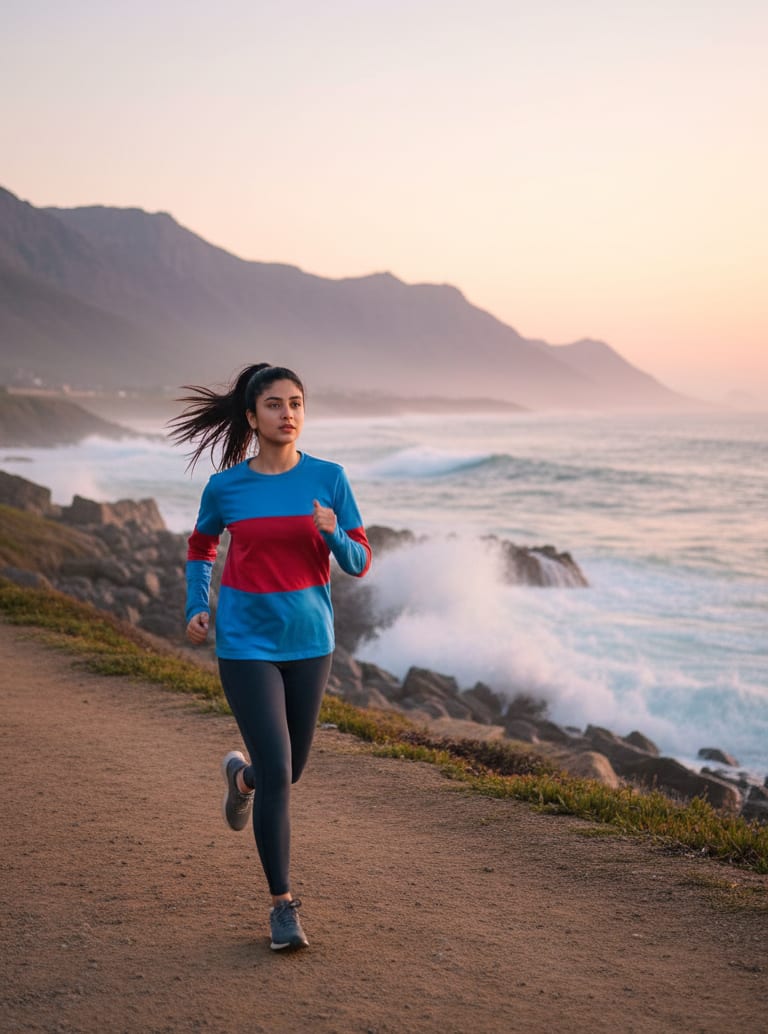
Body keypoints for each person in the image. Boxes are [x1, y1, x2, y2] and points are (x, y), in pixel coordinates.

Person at [170, 363, 371, 951]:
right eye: (276, 405)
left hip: (311, 642)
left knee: (288, 770)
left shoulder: (329, 478)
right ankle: (282, 904)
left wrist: (334, 533)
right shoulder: (226, 487)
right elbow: (202, 546)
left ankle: (243, 776)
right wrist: (194, 604)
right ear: (253, 417)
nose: (289, 414)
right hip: (244, 644)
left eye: (298, 404)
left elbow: (359, 561)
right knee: (283, 773)